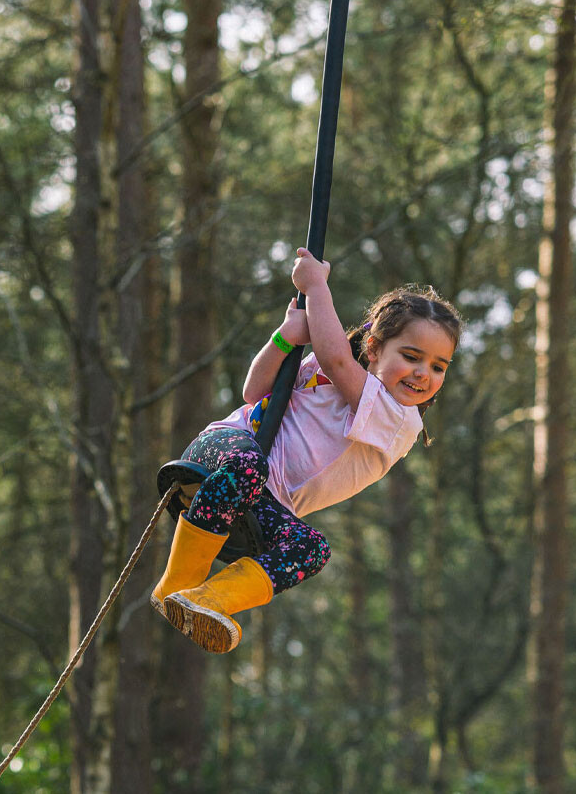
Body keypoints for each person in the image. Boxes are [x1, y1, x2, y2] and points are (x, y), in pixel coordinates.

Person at [150, 249, 461, 653]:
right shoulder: (325, 368)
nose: (424, 373)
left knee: (312, 549)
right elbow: (254, 392)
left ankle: (206, 601)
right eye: (411, 356)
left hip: (259, 501)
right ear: (373, 348)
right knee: (248, 465)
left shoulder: (399, 420)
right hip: (223, 453)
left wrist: (316, 288)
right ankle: (177, 583)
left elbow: (336, 358)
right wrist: (285, 337)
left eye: (439, 366)